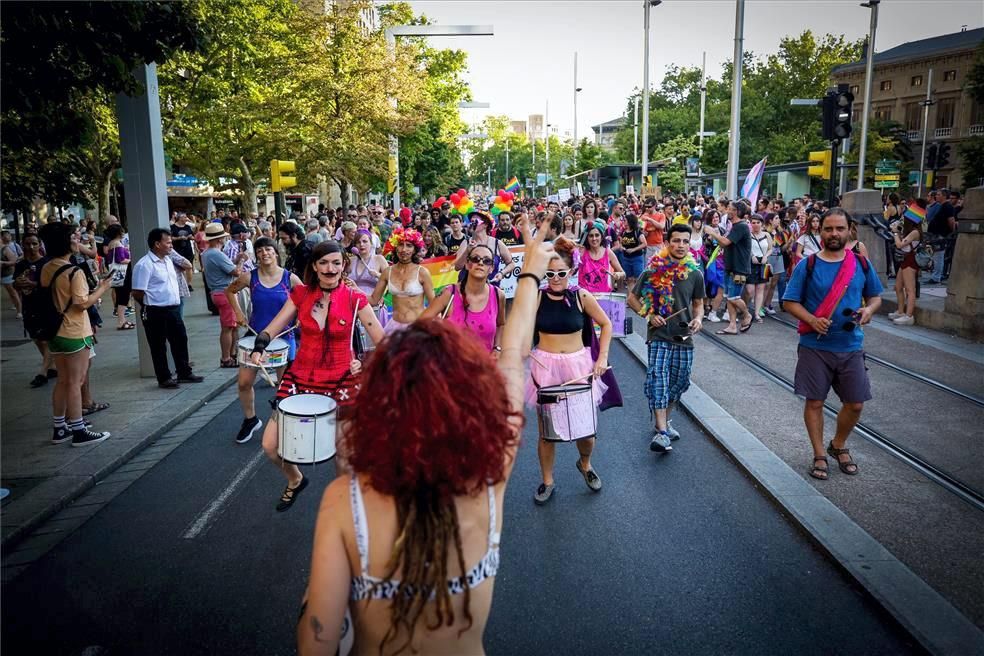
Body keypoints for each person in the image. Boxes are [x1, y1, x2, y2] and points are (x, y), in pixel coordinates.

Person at [296, 218, 552, 656]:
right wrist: (530, 270)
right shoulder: (491, 477)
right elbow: (512, 355)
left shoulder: (345, 500)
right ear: (471, 399)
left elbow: (315, 642)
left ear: (384, 401)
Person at [251, 240, 384, 511]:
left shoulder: (354, 298)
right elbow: (274, 327)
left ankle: (346, 510)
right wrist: (259, 346)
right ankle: (295, 479)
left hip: (342, 380)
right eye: (323, 262)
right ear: (314, 266)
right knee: (270, 445)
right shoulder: (300, 294)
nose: (330, 268)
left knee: (345, 456)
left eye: (336, 262)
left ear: (344, 265)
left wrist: (364, 363)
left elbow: (382, 342)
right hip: (299, 378)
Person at [782, 208, 883, 481]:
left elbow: (875, 297)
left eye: (839, 229)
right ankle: (818, 454)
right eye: (828, 229)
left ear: (849, 229)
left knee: (856, 404)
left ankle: (837, 445)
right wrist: (812, 321)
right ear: (820, 231)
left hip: (850, 345)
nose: (834, 234)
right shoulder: (808, 265)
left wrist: (869, 311)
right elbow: (789, 301)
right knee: (815, 401)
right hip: (814, 346)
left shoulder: (861, 264)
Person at [527, 236, 613, 505]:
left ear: (572, 271)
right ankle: (547, 481)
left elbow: (606, 324)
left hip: (579, 367)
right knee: (546, 432)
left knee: (586, 431)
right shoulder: (537, 298)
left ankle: (585, 464)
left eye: (561, 273)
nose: (555, 278)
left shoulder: (581, 296)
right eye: (550, 273)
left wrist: (602, 360)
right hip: (546, 368)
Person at [628, 223, 705, 451]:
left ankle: (665, 420)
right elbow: (632, 299)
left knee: (680, 382)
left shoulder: (695, 273)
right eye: (676, 241)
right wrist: (649, 315)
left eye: (685, 241)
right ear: (667, 243)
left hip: (684, 338)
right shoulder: (652, 270)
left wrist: (698, 320)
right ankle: (661, 432)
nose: (681, 245)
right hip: (659, 336)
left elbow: (698, 304)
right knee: (658, 379)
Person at [37, 222, 113, 446]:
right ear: (66, 241)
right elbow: (81, 303)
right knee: (75, 381)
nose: (77, 240)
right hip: (74, 331)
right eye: (74, 237)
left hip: (56, 331)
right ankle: (79, 429)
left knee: (62, 380)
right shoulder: (74, 271)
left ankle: (60, 427)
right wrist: (103, 288)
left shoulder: (47, 267)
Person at [226, 236, 302, 443]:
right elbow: (230, 291)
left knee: (284, 386)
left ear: (276, 253)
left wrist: (301, 318)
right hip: (255, 335)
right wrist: (239, 313)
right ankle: (250, 420)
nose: (264, 253)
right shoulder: (249, 277)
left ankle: (285, 425)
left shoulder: (290, 278)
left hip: (284, 336)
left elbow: (307, 299)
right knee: (243, 383)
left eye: (268, 249)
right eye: (260, 251)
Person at [131, 229, 205, 389]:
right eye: (168, 242)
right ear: (157, 244)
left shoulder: (168, 260)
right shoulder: (145, 265)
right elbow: (137, 292)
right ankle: (164, 377)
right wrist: (149, 304)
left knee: (180, 339)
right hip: (155, 310)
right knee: (158, 345)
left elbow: (186, 265)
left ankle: (184, 372)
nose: (171, 245)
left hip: (173, 308)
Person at [419, 243, 506, 354]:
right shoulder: (449, 293)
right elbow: (420, 324)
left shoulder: (498, 295)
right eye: (475, 259)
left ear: (491, 268)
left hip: (484, 368)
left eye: (486, 261)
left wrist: (497, 347)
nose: (480, 263)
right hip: (452, 367)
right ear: (467, 264)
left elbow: (501, 324)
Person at [368, 227, 436, 334]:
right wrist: (354, 289)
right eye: (400, 245)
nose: (404, 249)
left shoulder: (422, 272)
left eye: (409, 245)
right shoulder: (387, 272)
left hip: (418, 329)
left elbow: (434, 304)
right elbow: (373, 300)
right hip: (394, 330)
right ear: (395, 247)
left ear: (415, 249)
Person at [704, 199, 752, 335]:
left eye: (730, 209)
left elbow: (725, 242)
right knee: (729, 296)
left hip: (739, 267)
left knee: (734, 297)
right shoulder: (734, 226)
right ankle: (732, 325)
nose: (727, 211)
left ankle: (747, 314)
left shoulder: (741, 226)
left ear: (737, 212)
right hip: (730, 265)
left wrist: (712, 232)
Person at [202, 222, 247, 367]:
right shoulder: (216, 253)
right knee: (228, 327)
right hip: (224, 292)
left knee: (232, 326)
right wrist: (241, 260)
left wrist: (235, 261)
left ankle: (232, 354)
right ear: (219, 239)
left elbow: (225, 267)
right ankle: (226, 358)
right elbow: (236, 272)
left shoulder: (207, 253)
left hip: (218, 292)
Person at [14, 233, 56, 387]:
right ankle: (52, 367)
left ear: (40, 245)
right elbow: (15, 285)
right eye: (27, 244)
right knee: (37, 339)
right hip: (29, 306)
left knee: (47, 338)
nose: (31, 247)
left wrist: (35, 284)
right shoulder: (20, 265)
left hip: (45, 305)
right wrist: (18, 283)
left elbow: (52, 285)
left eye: (34, 244)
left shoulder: (46, 263)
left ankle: (42, 372)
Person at [889, 201, 924, 326]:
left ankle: (909, 316)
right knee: (898, 287)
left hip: (911, 260)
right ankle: (900, 311)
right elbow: (901, 241)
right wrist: (897, 231)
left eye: (905, 217)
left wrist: (894, 232)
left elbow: (899, 244)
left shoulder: (915, 232)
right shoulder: (910, 230)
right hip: (905, 259)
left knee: (910, 289)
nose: (902, 219)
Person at [578, 221, 625, 293]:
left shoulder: (608, 253)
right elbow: (571, 271)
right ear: (587, 238)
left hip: (603, 296)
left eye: (597, 235)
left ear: (602, 237)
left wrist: (618, 274)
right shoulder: (582, 252)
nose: (594, 239)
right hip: (585, 297)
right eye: (591, 236)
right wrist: (576, 255)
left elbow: (623, 273)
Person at [103, 224, 134, 330]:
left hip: (117, 272)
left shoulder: (112, 243)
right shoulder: (117, 243)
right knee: (123, 297)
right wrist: (132, 260)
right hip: (122, 273)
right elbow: (120, 259)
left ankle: (122, 320)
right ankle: (121, 321)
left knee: (121, 297)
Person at [346, 230, 388, 297]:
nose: (361, 245)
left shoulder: (379, 259)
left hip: (372, 303)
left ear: (371, 243)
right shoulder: (350, 261)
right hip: (352, 301)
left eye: (365, 241)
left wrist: (378, 274)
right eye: (358, 242)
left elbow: (390, 279)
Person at [746, 214, 772, 321]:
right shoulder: (748, 234)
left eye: (758, 222)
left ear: (762, 223)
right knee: (750, 290)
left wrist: (766, 256)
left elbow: (770, 248)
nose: (756, 225)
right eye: (753, 222)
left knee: (761, 289)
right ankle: (745, 310)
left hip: (764, 264)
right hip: (751, 263)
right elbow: (746, 248)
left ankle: (756, 313)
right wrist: (752, 256)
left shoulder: (767, 235)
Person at [617, 213, 646, 292]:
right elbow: (621, 242)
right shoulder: (623, 232)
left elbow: (644, 243)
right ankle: (630, 297)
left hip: (636, 258)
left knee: (638, 278)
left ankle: (637, 296)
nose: (624, 222)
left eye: (625, 220)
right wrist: (621, 247)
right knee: (629, 279)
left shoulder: (637, 232)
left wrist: (634, 249)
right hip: (626, 258)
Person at [170, 212, 196, 288]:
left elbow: (191, 235)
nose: (186, 218)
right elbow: (170, 238)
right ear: (180, 218)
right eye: (184, 217)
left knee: (189, 266)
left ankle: (189, 284)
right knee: (179, 268)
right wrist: (179, 238)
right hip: (178, 250)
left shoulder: (187, 226)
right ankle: (181, 284)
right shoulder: (173, 227)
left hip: (188, 249)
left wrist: (191, 237)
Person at [1, 229, 23, 318]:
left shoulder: (10, 246)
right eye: (7, 235)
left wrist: (4, 263)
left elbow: (16, 258)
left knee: (13, 292)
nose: (9, 237)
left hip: (9, 272)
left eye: (9, 235)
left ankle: (19, 310)